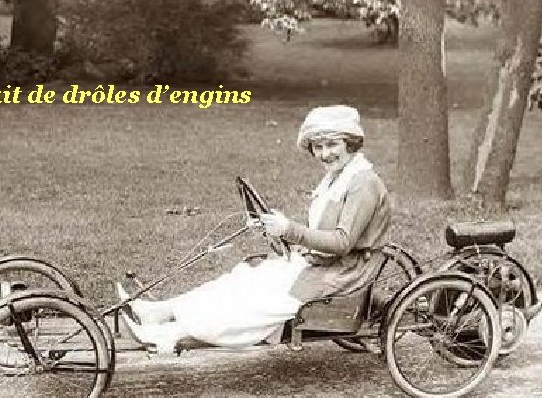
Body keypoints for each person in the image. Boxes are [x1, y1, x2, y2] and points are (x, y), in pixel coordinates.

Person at [122, 105, 391, 353]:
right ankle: (162, 312)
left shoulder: (362, 183)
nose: (324, 153)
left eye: (332, 144)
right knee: (243, 279)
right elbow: (322, 232)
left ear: (350, 143)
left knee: (258, 300)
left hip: (345, 272)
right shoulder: (337, 178)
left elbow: (342, 242)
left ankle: (169, 334)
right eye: (318, 147)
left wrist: (289, 229)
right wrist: (276, 230)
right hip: (323, 263)